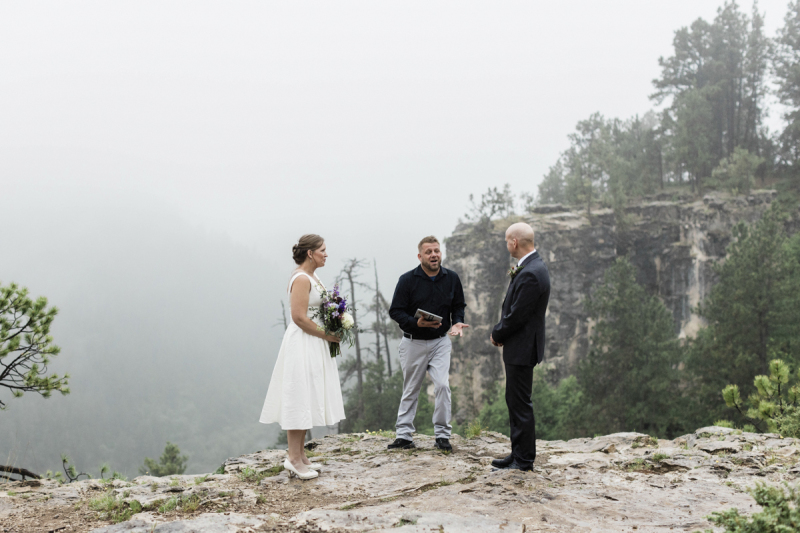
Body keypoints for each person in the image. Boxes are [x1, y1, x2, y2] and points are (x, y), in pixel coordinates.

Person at [259, 234, 345, 480]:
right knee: (298, 395)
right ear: (311, 253)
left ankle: (300, 454)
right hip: (303, 342)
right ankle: (293, 458)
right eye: (323, 250)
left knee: (307, 395)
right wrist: (327, 334)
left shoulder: (314, 276)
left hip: (313, 342)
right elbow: (298, 317)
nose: (326, 254)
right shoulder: (300, 278)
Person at [387, 236, 469, 451]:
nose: (434, 255)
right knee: (411, 388)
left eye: (437, 251)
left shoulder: (452, 278)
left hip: (440, 342)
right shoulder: (407, 280)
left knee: (442, 386)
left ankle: (442, 435)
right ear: (420, 256)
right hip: (413, 342)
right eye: (429, 252)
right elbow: (395, 311)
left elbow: (459, 305)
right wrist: (417, 323)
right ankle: (404, 436)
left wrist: (458, 322)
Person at [490, 222, 550, 472]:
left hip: (522, 348)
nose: (506, 245)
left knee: (520, 403)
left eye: (507, 241)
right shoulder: (533, 267)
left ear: (515, 242)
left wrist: (498, 332)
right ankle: (517, 453)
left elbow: (518, 315)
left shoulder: (530, 273)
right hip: (521, 347)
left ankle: (524, 460)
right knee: (515, 400)